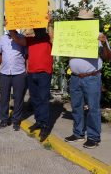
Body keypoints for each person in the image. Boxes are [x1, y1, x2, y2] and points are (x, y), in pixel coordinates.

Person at [64, 8, 111, 148]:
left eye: (86, 21)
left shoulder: (99, 36)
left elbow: (108, 57)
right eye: (80, 20)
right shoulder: (72, 34)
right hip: (75, 77)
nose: (83, 22)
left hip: (91, 78)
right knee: (77, 107)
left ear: (92, 21)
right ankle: (78, 133)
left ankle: (93, 137)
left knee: (93, 108)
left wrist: (103, 43)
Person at [9, 17, 53, 141]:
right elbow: (17, 39)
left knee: (44, 99)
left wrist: (49, 23)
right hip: (31, 72)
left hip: (45, 73)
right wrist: (11, 27)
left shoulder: (48, 39)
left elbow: (53, 36)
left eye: (39, 29)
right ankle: (39, 121)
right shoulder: (30, 39)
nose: (37, 31)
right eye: (36, 29)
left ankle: (45, 125)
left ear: (43, 29)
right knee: (35, 99)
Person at [0, 29, 27, 131]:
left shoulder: (22, 38)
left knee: (18, 98)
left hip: (19, 72)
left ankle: (16, 121)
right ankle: (4, 120)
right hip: (4, 72)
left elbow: (27, 55)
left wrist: (27, 69)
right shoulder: (2, 38)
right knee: (4, 98)